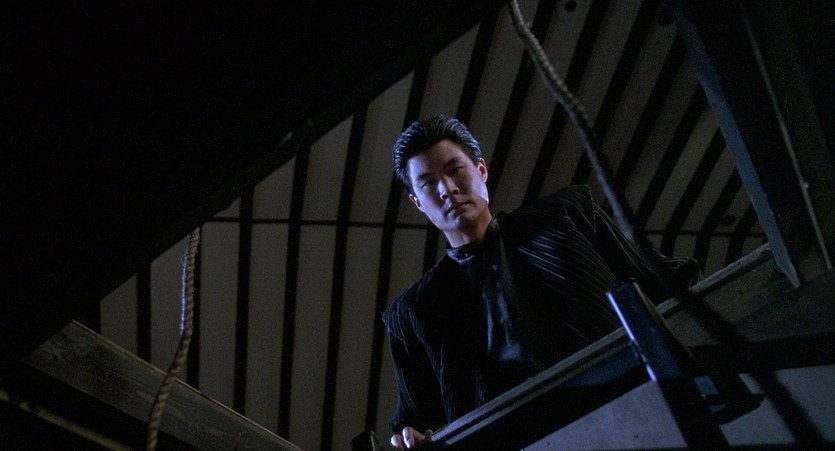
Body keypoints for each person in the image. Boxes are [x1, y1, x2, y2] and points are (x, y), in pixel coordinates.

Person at [383, 116, 700, 449]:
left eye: (455, 170)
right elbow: (418, 419)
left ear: (481, 170)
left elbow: (662, 285)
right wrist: (411, 436)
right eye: (428, 184)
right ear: (417, 202)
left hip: (630, 411)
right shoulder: (414, 311)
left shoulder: (563, 218)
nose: (447, 189)